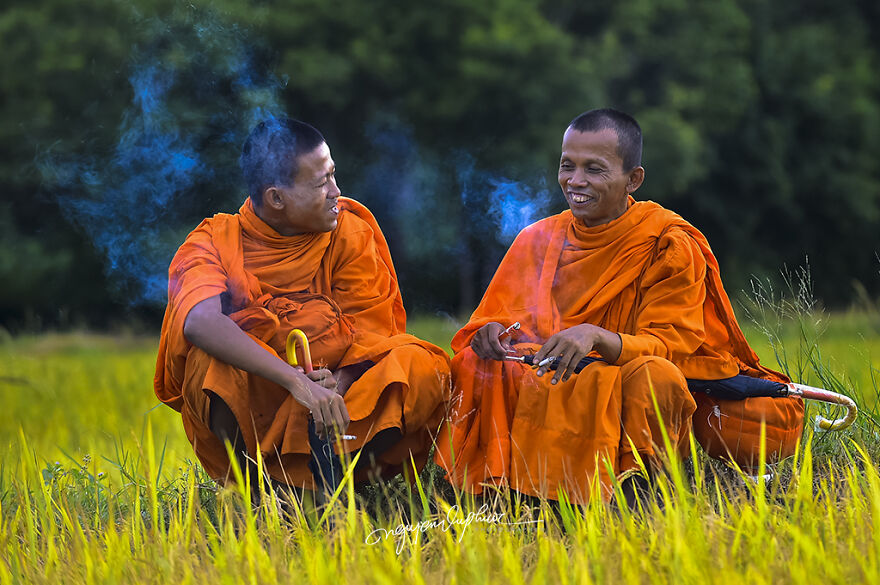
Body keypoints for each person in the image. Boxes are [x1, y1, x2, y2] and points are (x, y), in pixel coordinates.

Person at [434, 108, 803, 504]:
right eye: (567, 166)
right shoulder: (536, 239)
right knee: (473, 365)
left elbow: (671, 345)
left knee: (658, 376)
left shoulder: (667, 244)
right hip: (543, 375)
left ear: (634, 179)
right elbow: (495, 321)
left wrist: (598, 338)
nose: (575, 181)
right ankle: (498, 491)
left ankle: (635, 492)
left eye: (594, 169)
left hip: (617, 376)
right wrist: (489, 336)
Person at [154, 118, 451, 497]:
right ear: (277, 198)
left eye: (333, 175)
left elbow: (370, 333)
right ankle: (259, 489)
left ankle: (325, 484)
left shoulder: (349, 230)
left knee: (421, 365)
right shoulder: (213, 240)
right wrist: (294, 380)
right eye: (321, 183)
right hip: (264, 396)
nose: (336, 192)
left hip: (339, 399)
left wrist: (333, 386)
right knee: (211, 361)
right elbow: (199, 322)